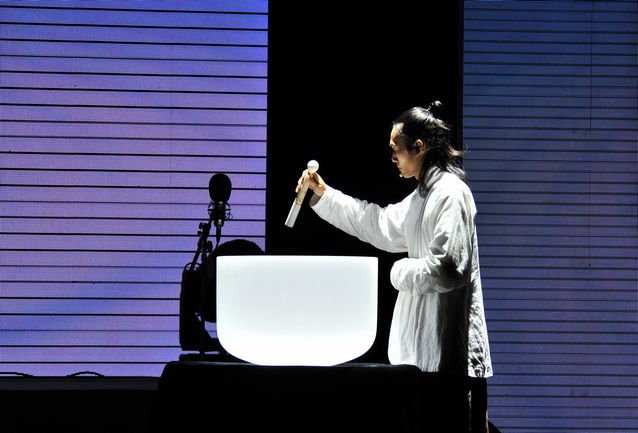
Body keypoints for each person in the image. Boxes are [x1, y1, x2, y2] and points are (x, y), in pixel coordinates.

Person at [296, 102, 493, 432]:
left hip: (449, 364)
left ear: (419, 147)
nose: (392, 158)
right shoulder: (421, 197)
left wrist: (398, 272)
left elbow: (449, 269)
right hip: (421, 363)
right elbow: (375, 223)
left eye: (395, 149)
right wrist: (323, 195)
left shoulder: (451, 193)